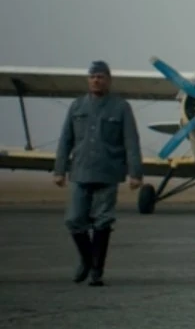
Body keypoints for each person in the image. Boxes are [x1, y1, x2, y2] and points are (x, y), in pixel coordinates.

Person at [53, 61, 143, 287]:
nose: (96, 80)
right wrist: (59, 170)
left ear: (109, 80)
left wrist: (135, 173)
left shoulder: (121, 107)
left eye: (101, 76)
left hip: (108, 172)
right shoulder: (76, 106)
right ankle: (87, 259)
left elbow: (131, 141)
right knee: (74, 219)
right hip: (80, 171)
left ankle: (97, 270)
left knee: (103, 220)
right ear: (88, 80)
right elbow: (65, 140)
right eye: (93, 76)